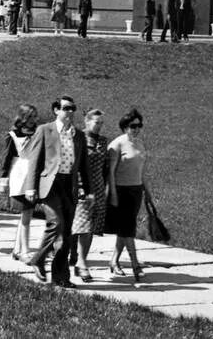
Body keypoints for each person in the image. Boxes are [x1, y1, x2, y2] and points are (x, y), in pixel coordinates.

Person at [28, 96, 91, 289]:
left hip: (68, 186)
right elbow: (34, 161)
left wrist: (88, 191)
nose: (70, 112)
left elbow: (83, 166)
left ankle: (61, 277)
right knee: (56, 223)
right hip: (50, 185)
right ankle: (38, 258)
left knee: (66, 235)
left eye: (73, 108)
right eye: (66, 108)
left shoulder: (78, 135)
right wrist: (31, 187)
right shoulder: (44, 130)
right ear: (56, 110)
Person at [106, 108, 149, 284]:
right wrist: (113, 194)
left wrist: (148, 192)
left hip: (136, 190)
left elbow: (142, 170)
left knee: (125, 230)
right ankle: (134, 264)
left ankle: (114, 260)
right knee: (127, 229)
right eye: (133, 126)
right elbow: (110, 173)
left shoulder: (139, 144)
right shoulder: (116, 145)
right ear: (125, 126)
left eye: (139, 126)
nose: (136, 129)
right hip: (121, 191)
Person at [69, 108, 109, 283]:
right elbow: (73, 164)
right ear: (87, 121)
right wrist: (77, 186)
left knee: (89, 227)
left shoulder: (103, 141)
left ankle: (80, 261)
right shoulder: (78, 138)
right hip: (81, 187)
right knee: (81, 225)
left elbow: (105, 167)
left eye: (101, 123)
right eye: (96, 122)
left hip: (98, 188)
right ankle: (80, 261)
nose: (99, 126)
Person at [0, 104, 39, 262]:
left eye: (34, 117)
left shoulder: (38, 132)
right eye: (30, 117)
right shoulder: (13, 135)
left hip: (33, 174)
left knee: (27, 213)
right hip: (20, 174)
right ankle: (24, 250)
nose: (33, 120)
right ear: (23, 117)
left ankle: (18, 249)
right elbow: (6, 159)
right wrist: (3, 180)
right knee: (26, 212)